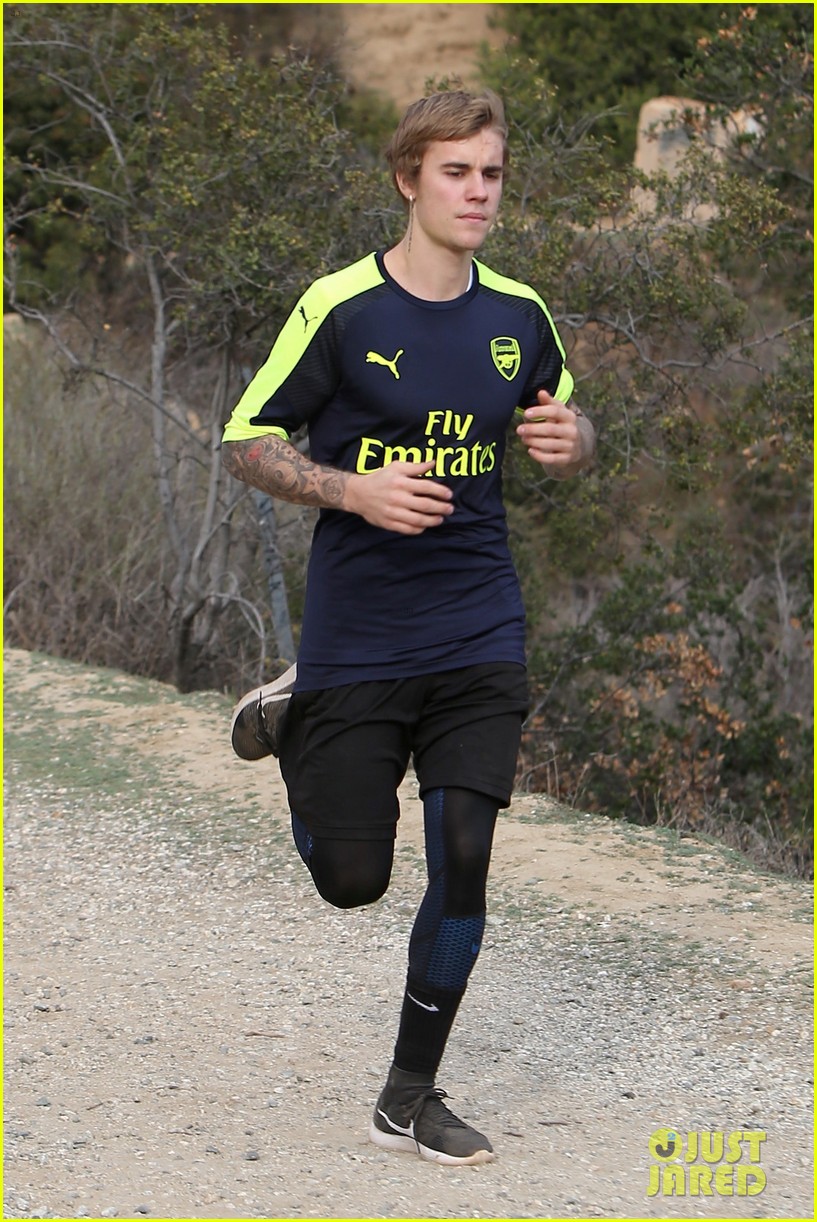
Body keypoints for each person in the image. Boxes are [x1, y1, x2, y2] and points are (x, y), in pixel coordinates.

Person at [221, 89, 595, 1166]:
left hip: (479, 621)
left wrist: (575, 441)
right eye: (455, 172)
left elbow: (563, 415)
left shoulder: (519, 314)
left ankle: (408, 1092)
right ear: (408, 178)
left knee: (465, 853)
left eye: (491, 173)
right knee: (353, 879)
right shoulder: (343, 307)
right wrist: (351, 491)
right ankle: (295, 717)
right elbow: (248, 437)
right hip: (362, 629)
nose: (478, 192)